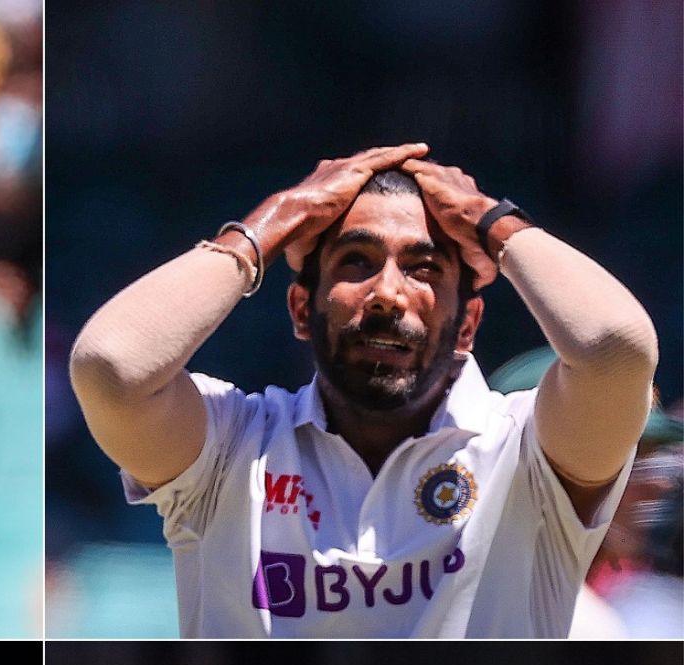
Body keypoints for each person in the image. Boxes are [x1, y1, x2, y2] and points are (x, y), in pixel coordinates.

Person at [70, 143, 659, 638]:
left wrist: (494, 221)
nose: (387, 294)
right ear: (301, 309)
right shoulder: (230, 449)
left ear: (469, 326)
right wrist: (267, 226)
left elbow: (618, 350)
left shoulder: (528, 453)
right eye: (357, 262)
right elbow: (110, 369)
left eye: (423, 267)